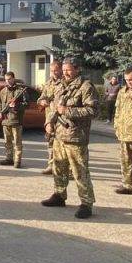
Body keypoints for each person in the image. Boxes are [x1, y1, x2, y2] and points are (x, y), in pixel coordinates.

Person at [41, 57, 98, 218]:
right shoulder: (60, 85)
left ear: (77, 69)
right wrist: (49, 122)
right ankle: (59, 195)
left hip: (76, 137)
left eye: (68, 70)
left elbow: (93, 111)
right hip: (59, 135)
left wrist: (67, 111)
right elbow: (55, 108)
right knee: (59, 168)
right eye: (64, 70)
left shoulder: (85, 87)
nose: (65, 73)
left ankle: (86, 203)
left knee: (80, 172)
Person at [113, 67, 132, 195]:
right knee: (125, 161)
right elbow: (118, 111)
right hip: (123, 133)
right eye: (126, 80)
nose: (129, 82)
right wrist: (116, 127)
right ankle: (128, 185)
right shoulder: (122, 92)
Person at [0, 71, 28, 167]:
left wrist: (16, 105)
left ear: (13, 78)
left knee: (17, 142)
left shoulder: (20, 90)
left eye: (9, 79)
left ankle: (17, 161)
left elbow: (27, 104)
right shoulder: (3, 91)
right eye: (6, 80)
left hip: (16, 120)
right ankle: (9, 158)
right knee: (7, 142)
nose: (7, 81)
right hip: (5, 120)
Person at [38, 61, 64, 175]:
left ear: (61, 70)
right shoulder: (48, 83)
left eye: (56, 70)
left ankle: (64, 168)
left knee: (62, 144)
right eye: (52, 71)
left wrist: (52, 103)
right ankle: (51, 165)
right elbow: (41, 98)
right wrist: (42, 101)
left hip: (60, 119)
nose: (54, 73)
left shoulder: (64, 83)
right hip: (49, 118)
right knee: (50, 142)